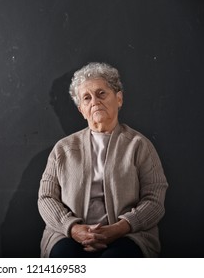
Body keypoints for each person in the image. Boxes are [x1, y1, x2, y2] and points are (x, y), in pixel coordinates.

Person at [38, 62, 168, 258]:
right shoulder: (63, 149)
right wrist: (73, 228)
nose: (94, 102)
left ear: (119, 98)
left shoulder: (139, 145)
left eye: (101, 93)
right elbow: (46, 198)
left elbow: (154, 200)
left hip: (128, 234)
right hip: (68, 236)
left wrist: (118, 228)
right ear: (81, 109)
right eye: (87, 98)